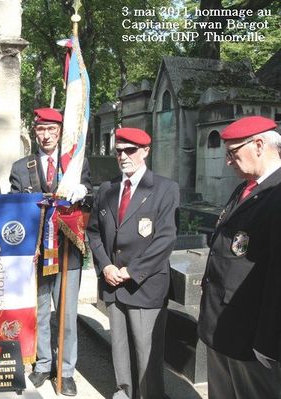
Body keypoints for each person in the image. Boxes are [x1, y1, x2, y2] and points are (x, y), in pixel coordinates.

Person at [86, 127, 179, 399]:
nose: (123, 156)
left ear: (146, 151)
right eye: (118, 151)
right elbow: (93, 232)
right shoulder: (107, 189)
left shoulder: (164, 189)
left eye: (130, 150)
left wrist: (132, 271)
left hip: (144, 285)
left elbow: (165, 238)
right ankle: (124, 393)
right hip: (113, 281)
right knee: (120, 349)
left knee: (146, 352)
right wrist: (105, 266)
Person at [9, 108, 91, 396]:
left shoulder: (75, 164)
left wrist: (83, 190)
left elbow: (89, 194)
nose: (46, 136)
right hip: (38, 252)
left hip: (68, 250)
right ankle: (43, 364)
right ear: (35, 132)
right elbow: (15, 206)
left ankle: (66, 370)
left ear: (60, 133)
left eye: (51, 130)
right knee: (40, 311)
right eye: (41, 130)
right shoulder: (22, 167)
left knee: (67, 314)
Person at [198, 116, 281, 398]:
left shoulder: (277, 192)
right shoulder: (246, 186)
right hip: (221, 326)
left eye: (233, 152)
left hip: (251, 338)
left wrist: (267, 343)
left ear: (259, 144)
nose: (228, 161)